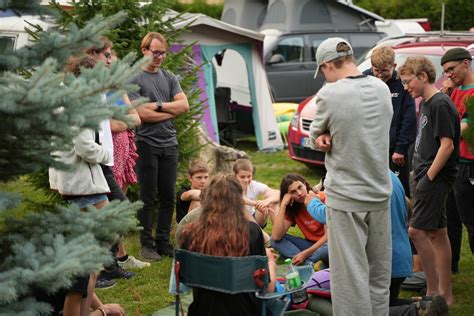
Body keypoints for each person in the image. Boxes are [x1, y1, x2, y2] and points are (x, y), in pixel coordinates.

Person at [309, 37, 393, 315]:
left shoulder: (329, 94)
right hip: (380, 192)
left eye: (322, 72)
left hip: (346, 197)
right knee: (379, 276)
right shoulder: (381, 88)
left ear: (327, 65)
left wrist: (321, 138)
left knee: (350, 279)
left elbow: (314, 134)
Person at [48, 54, 124, 315]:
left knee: (92, 260)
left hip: (78, 185)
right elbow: (84, 146)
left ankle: (93, 308)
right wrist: (106, 154)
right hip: (82, 187)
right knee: (89, 263)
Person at [399, 56, 460, 305]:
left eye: (407, 81)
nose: (405, 87)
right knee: (437, 232)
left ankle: (433, 292)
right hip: (424, 177)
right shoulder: (426, 103)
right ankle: (445, 294)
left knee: (416, 231)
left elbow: (447, 146)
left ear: (423, 76)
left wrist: (428, 177)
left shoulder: (440, 104)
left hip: (433, 179)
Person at [87, 40, 150, 276]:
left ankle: (120, 256)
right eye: (107, 54)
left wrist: (119, 123)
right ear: (92, 55)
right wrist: (118, 124)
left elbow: (136, 118)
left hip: (122, 150)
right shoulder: (92, 88)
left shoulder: (116, 87)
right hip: (105, 150)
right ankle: (105, 263)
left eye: (112, 55)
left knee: (118, 206)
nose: (111, 59)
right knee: (110, 206)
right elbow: (105, 124)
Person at [128, 32, 189, 261]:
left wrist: (159, 106)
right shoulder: (134, 78)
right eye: (155, 52)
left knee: (168, 196)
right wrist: (167, 109)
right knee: (148, 196)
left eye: (163, 52)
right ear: (144, 50)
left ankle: (163, 242)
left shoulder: (169, 77)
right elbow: (140, 114)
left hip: (169, 144)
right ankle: (146, 244)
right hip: (146, 144)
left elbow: (184, 106)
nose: (160, 57)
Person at [178, 175, 277, 315]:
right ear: (238, 201)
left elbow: (184, 282)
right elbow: (267, 287)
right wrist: (271, 260)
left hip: (202, 311)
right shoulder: (251, 232)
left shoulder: (188, 233)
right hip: (245, 311)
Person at [363, 46, 417, 197]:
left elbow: (409, 119)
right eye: (376, 70)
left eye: (384, 71)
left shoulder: (401, 83)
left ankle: (403, 219)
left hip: (395, 152)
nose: (380, 75)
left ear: (393, 66)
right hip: (371, 148)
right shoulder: (364, 79)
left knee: (398, 191)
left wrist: (400, 148)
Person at [441, 48, 474, 274]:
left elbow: (463, 128)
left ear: (466, 63)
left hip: (469, 165)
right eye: (445, 72)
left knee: (470, 222)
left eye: (451, 70)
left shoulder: (472, 94)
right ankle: (451, 267)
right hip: (453, 164)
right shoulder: (452, 92)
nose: (448, 75)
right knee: (450, 219)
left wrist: (444, 131)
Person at [271, 173, 328, 267]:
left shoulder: (322, 198)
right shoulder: (294, 207)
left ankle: (307, 264)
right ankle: (311, 264)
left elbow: (327, 237)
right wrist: (283, 205)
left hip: (327, 244)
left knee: (327, 249)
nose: (299, 193)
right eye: (293, 192)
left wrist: (304, 254)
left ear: (305, 185)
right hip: (310, 245)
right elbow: (276, 236)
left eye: (300, 187)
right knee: (274, 241)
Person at [233, 158, 280, 227]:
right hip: (235, 220)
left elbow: (278, 193)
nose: (246, 180)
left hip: (253, 218)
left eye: (249, 176)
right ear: (235, 175)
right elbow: (239, 198)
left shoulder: (253, 185)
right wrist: (256, 204)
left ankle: (278, 233)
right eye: (242, 177)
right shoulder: (231, 184)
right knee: (262, 204)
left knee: (272, 200)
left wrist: (266, 201)